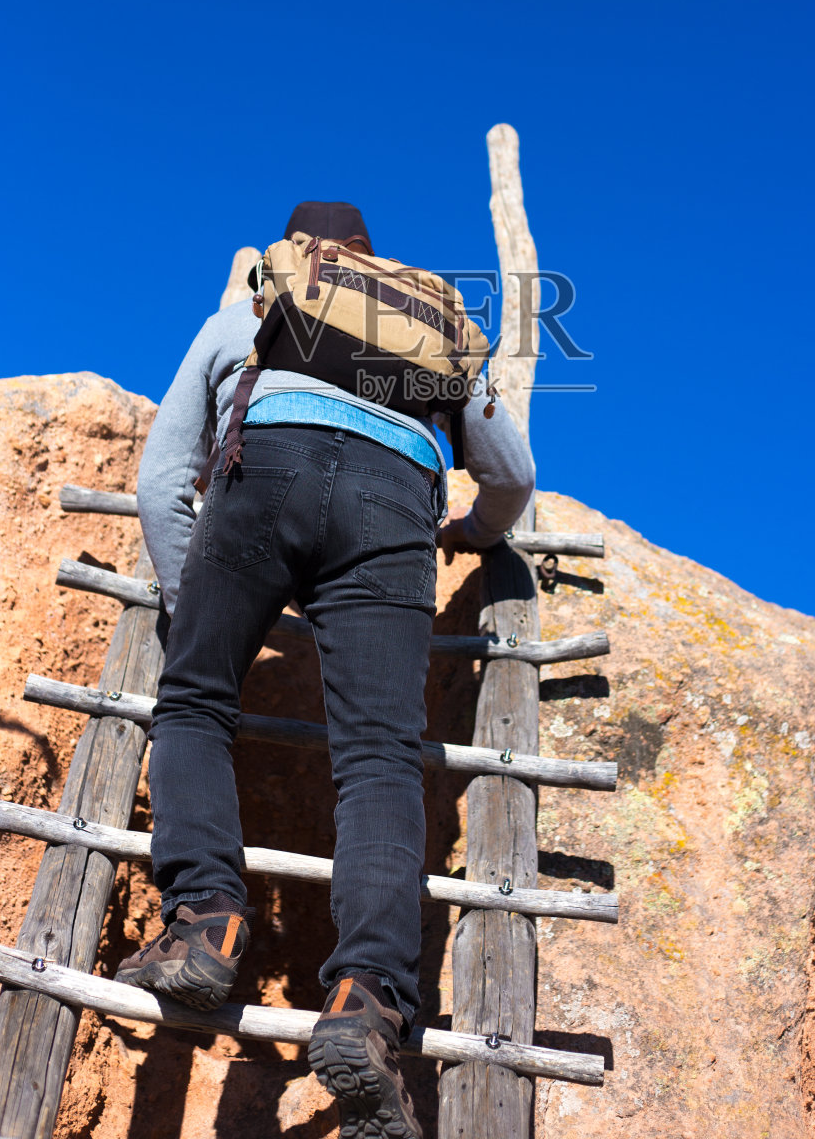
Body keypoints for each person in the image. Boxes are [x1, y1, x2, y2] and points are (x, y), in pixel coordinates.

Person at [116, 201, 534, 1139]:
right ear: (374, 268)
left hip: (263, 469)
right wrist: (472, 531)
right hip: (396, 504)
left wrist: (200, 611)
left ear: (295, 252)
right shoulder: (428, 333)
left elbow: (160, 480)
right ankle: (366, 998)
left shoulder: (250, 310)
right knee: (380, 758)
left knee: (193, 701)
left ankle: (207, 923)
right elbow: (511, 473)